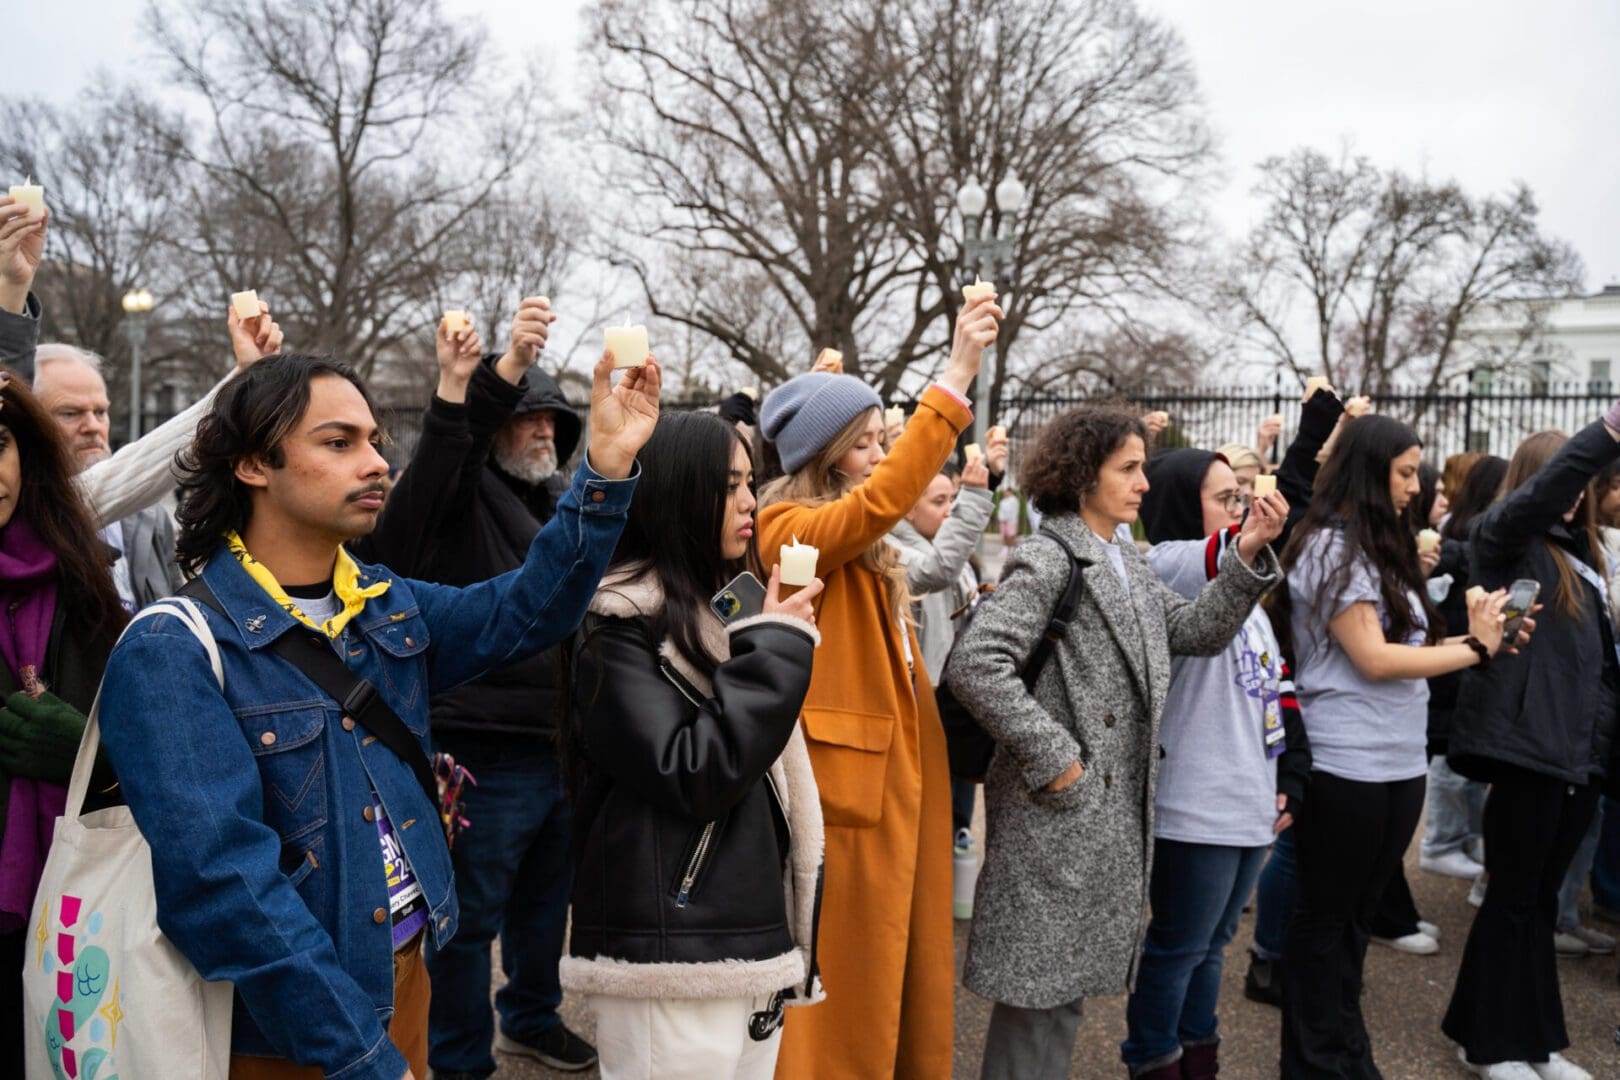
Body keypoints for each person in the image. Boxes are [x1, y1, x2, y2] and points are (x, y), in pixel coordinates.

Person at [95, 348, 659, 1080]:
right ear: (251, 464)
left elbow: (529, 610)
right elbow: (226, 888)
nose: (375, 464)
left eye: (373, 442)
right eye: (338, 443)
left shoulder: (383, 607)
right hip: (282, 1028)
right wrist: (361, 1057)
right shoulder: (176, 647)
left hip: (407, 973)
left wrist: (606, 470)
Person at [943, 404, 1284, 1080]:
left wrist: (1244, 556)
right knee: (1037, 1002)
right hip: (1056, 818)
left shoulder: (1124, 557)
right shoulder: (1049, 557)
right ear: (1082, 476)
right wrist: (1057, 758)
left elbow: (1195, 631)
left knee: (1060, 998)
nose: (1145, 482)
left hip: (1093, 821)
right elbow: (976, 664)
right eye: (1128, 468)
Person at [355, 300, 601, 1075]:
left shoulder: (556, 501)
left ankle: (530, 1015)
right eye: (529, 419)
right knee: (465, 918)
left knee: (543, 906)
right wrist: (499, 374)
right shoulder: (459, 498)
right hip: (481, 748)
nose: (544, 434)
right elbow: (443, 459)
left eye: (556, 424)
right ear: (495, 428)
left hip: (557, 740)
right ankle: (461, 1058)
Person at [758, 293, 999, 1079]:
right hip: (845, 786)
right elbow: (879, 501)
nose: (879, 454)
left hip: (895, 772)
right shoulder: (786, 524)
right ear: (826, 456)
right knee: (848, 983)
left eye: (878, 440)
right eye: (864, 443)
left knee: (900, 970)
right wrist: (955, 376)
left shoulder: (852, 530)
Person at [561, 411, 825, 1079]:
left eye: (751, 482)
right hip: (671, 943)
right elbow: (692, 770)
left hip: (748, 933)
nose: (748, 503)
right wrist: (778, 652)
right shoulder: (615, 620)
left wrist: (767, 634)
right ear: (677, 491)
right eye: (729, 484)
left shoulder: (727, 605)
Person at [1268, 414, 1509, 1079]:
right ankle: (1318, 1062)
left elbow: (1404, 649)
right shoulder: (1328, 546)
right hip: (1346, 763)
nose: (1416, 486)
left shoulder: (1376, 547)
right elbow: (1372, 658)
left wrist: (1479, 636)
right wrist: (1473, 646)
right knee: (1327, 923)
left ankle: (1343, 1051)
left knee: (1353, 922)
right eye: (1404, 472)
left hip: (1395, 762)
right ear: (1370, 470)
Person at [1443, 413, 1620, 1080]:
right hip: (1528, 749)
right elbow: (1543, 496)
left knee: (1541, 901)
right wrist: (1606, 433)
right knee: (1514, 896)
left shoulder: (1582, 559)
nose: (1575, 496)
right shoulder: (1504, 540)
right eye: (1563, 482)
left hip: (1578, 756)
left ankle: (1532, 1040)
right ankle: (1489, 1044)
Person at [1120, 447, 1305, 1080]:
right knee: (1178, 949)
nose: (1242, 505)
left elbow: (1275, 695)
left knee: (1213, 949)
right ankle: (1152, 1059)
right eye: (1226, 496)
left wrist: (1289, 782)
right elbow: (1230, 548)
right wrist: (1309, 446)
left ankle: (1199, 1055)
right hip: (1193, 805)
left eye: (1243, 492)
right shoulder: (1167, 565)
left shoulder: (1247, 595)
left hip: (1249, 803)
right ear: (1179, 502)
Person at [0, 195, 279, 528]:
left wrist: (245, 377)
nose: (92, 426)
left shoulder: (56, 518)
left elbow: (142, 467)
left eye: (101, 411)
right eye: (69, 413)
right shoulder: (41, 517)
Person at [0, 373, 131, 1079]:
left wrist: (92, 754)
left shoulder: (86, 582)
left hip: (75, 919)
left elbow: (161, 755)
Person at [1419, 456, 1508, 883]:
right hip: (1451, 660)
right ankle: (1441, 842)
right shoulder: (1460, 540)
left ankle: (1463, 837)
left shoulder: (1466, 536)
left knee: (1463, 760)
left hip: (1463, 656)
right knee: (1448, 760)